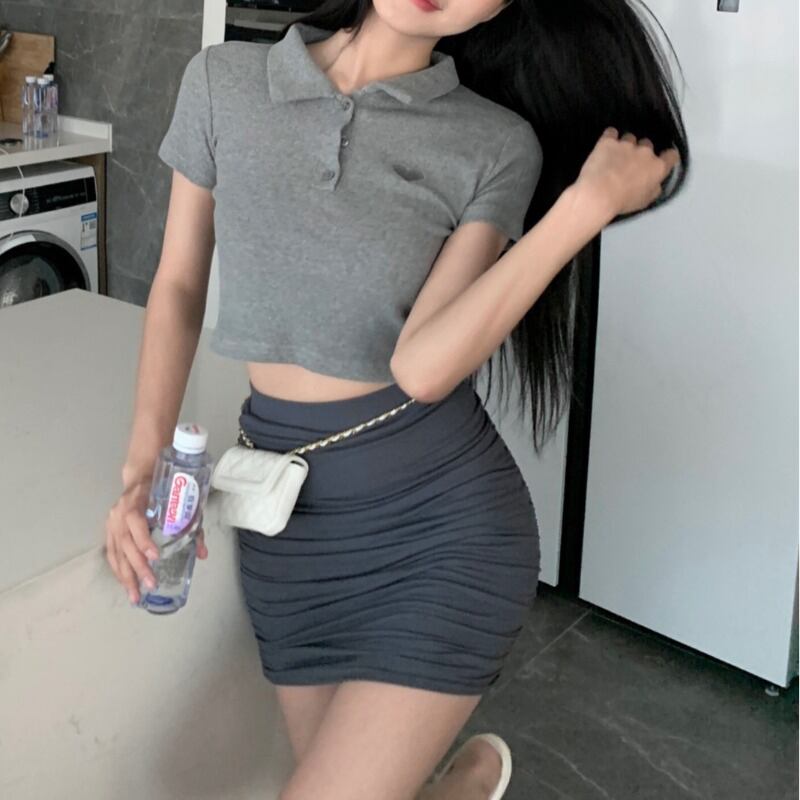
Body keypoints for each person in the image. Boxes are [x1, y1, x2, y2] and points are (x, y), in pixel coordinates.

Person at [104, 0, 686, 797]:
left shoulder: (494, 142)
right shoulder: (221, 82)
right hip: (290, 534)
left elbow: (422, 367)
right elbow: (176, 286)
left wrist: (580, 210)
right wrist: (145, 466)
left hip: (441, 528)